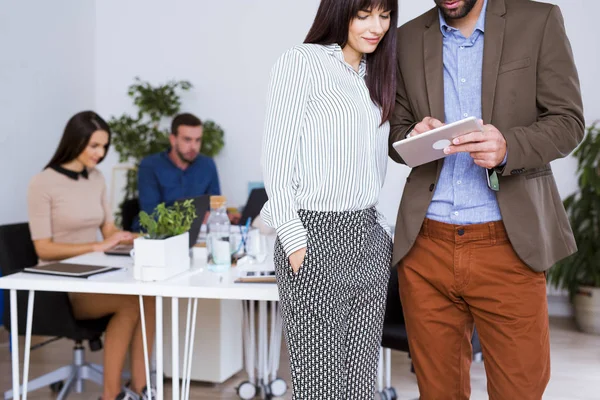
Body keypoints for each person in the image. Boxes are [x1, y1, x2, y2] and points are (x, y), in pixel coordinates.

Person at [389, 0, 584, 398]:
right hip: (426, 246)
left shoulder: (539, 20)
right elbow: (397, 132)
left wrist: (508, 145)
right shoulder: (407, 37)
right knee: (437, 392)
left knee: (519, 390)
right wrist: (414, 135)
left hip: (508, 244)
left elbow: (568, 121)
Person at [260, 0, 397, 397]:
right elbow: (277, 159)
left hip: (367, 237)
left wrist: (381, 231)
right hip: (314, 233)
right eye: (364, 14)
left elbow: (372, 165)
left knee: (358, 385)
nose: (376, 26)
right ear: (341, 12)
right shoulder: (301, 62)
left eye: (385, 15)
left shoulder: (375, 76)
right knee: (320, 385)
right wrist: (294, 237)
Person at [28, 111, 157, 400]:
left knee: (148, 296)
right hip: (59, 285)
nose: (100, 154)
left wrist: (137, 238)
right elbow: (43, 248)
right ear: (75, 141)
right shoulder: (42, 183)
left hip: (92, 273)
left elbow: (107, 228)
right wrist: (95, 247)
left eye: (104, 147)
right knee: (128, 304)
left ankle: (140, 390)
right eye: (94, 146)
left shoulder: (96, 179)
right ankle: (110, 396)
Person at [134, 112, 227, 230]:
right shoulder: (150, 166)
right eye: (187, 140)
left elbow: (215, 205)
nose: (193, 146)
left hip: (199, 233)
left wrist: (215, 215)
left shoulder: (207, 165)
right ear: (173, 140)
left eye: (198, 140)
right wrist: (193, 219)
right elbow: (151, 214)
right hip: (158, 235)